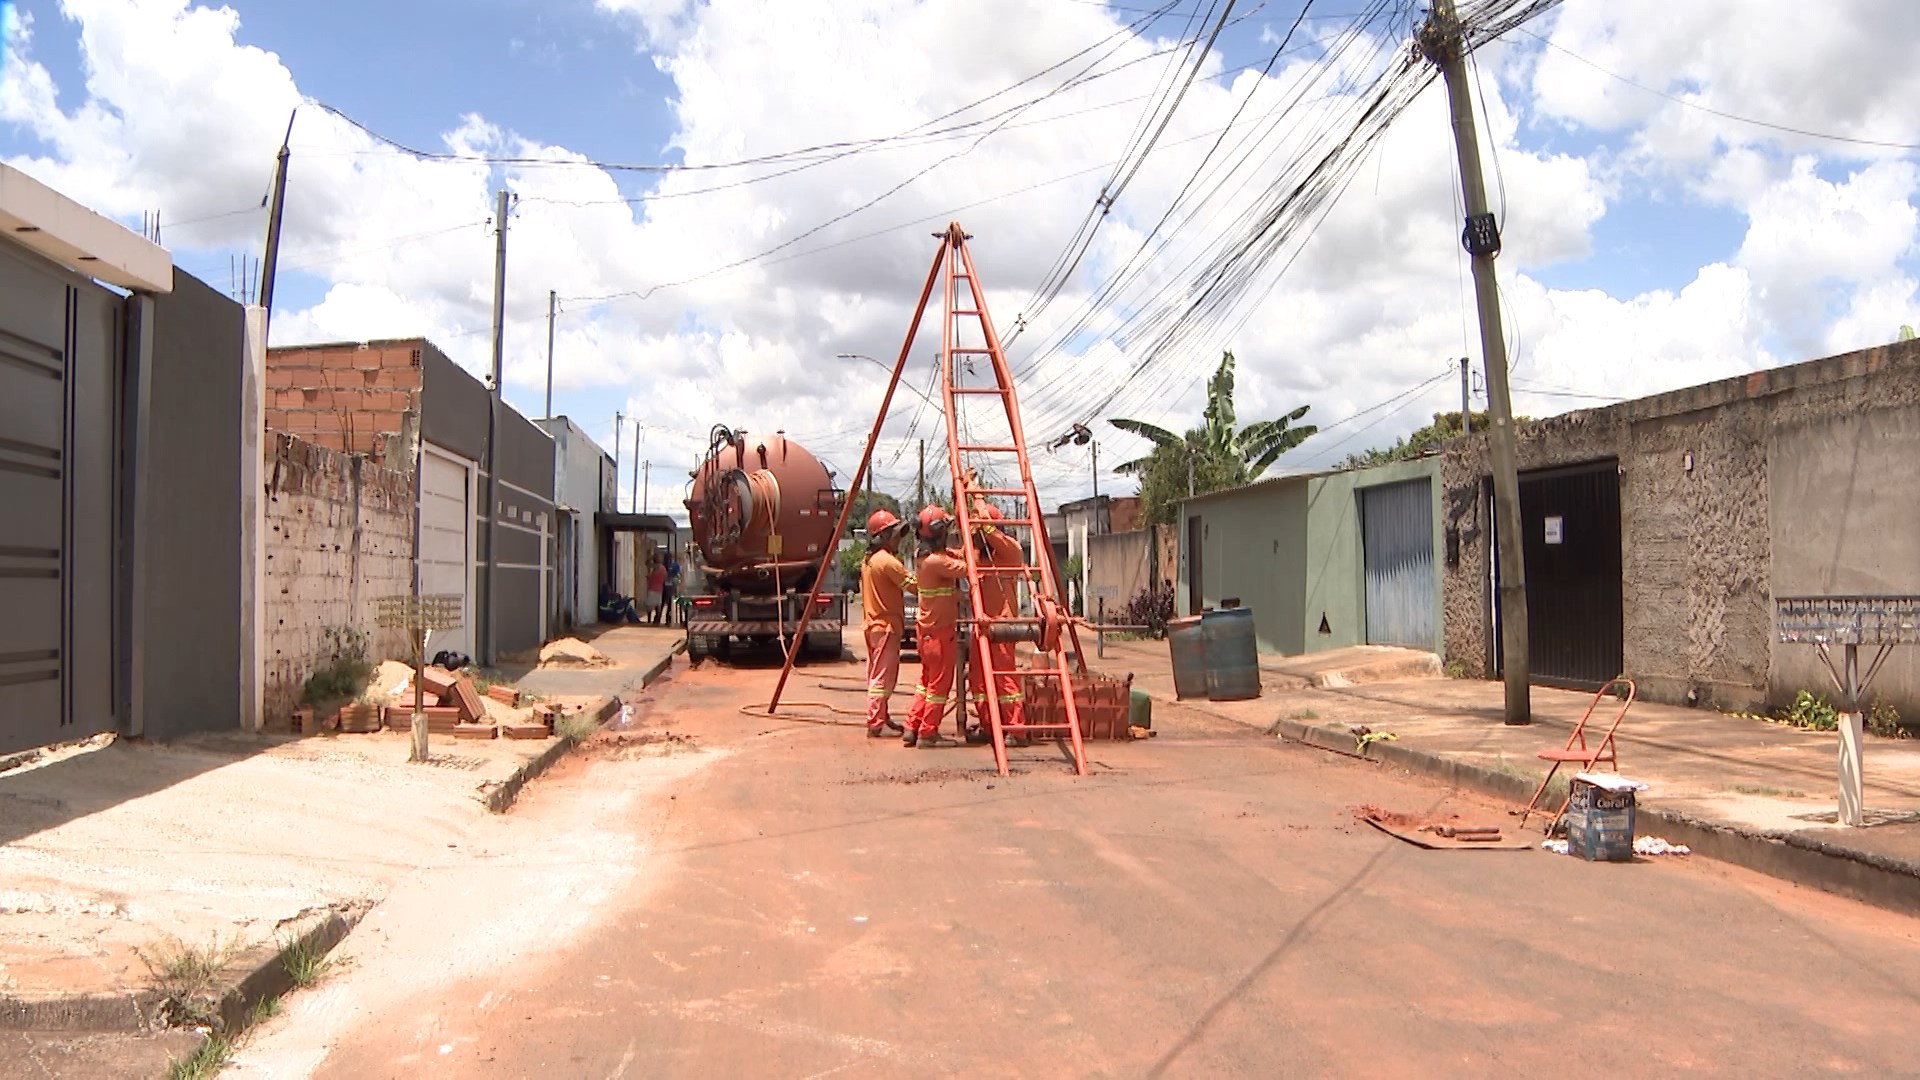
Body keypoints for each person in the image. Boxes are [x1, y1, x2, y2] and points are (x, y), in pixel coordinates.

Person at [965, 490, 1029, 747]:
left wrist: (976, 495)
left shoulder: (1010, 550)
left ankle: (1017, 730)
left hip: (1002, 626)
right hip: (982, 626)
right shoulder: (978, 556)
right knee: (978, 681)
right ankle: (989, 725)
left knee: (1005, 679)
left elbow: (991, 533)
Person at [904, 505, 969, 749]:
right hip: (940, 634)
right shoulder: (936, 562)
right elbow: (968, 568)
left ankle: (912, 727)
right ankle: (927, 733)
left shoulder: (923, 558)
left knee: (926, 682)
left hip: (927, 632)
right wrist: (973, 549)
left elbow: (951, 557)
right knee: (939, 686)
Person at [858, 509, 914, 738]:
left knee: (878, 673)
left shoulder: (869, 561)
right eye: (894, 534)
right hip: (886, 627)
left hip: (874, 626)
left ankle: (881, 715)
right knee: (882, 677)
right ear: (883, 537)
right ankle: (875, 721)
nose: (898, 539)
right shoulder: (888, 562)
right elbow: (915, 586)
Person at [644, 555, 667, 625]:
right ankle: (658, 619)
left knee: (649, 605)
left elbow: (646, 563)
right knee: (658, 605)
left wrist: (650, 557)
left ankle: (649, 620)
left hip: (652, 588)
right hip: (659, 588)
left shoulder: (653, 567)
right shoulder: (663, 568)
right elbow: (665, 577)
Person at [662, 552, 682, 626]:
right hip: (665, 586)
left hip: (671, 585)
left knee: (670, 602)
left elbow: (677, 574)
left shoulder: (674, 565)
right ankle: (665, 617)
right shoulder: (663, 565)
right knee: (665, 602)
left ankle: (668, 618)